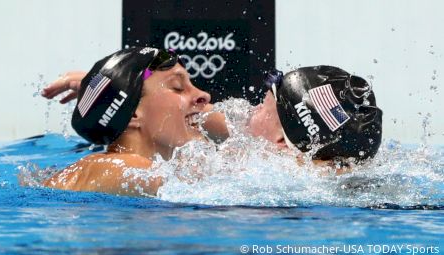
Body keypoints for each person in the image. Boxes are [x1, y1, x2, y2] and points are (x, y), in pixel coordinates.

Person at [43, 64, 382, 166]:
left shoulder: (258, 173)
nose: (247, 109)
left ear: (281, 141)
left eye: (263, 105)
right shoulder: (261, 149)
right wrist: (110, 86)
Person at [42, 47, 211, 196]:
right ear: (133, 115)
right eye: (177, 87)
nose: (205, 95)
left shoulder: (122, 171)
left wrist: (108, 90)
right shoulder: (119, 167)